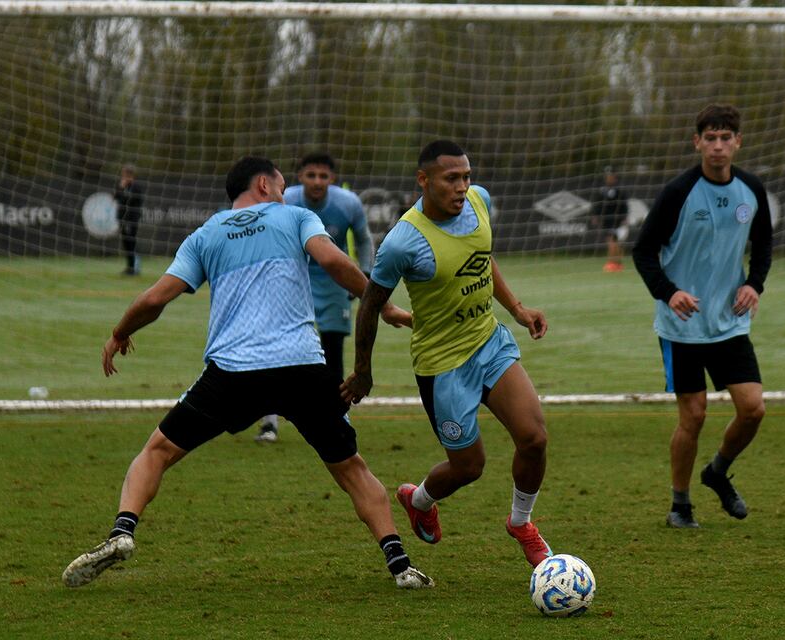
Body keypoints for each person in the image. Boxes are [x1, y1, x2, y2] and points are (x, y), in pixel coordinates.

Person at [62, 157, 432, 589]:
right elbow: (335, 262)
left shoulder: (206, 234)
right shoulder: (295, 216)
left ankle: (122, 533)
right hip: (302, 367)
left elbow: (156, 298)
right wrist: (382, 305)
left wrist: (119, 333)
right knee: (352, 468)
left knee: (157, 452)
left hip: (233, 373)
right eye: (280, 186)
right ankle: (401, 566)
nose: (284, 192)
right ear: (263, 184)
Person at [340, 140, 554, 568]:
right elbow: (370, 306)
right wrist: (362, 371)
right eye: (451, 178)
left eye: (466, 177)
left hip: (488, 343)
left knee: (534, 438)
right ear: (424, 180)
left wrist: (516, 309)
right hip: (443, 367)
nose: (462, 186)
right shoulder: (402, 242)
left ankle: (521, 522)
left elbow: (482, 258)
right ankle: (418, 499)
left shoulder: (479, 202)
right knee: (468, 467)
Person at [632, 104, 773, 529]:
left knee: (753, 410)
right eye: (709, 138)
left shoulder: (751, 190)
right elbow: (643, 252)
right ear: (697, 142)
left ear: (737, 142)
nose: (717, 146)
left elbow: (763, 244)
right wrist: (669, 293)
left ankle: (717, 471)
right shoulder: (678, 192)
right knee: (693, 417)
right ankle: (680, 504)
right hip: (683, 327)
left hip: (729, 322)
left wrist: (755, 283)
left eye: (725, 138)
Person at [255, 153, 374, 443]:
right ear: (299, 177)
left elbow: (364, 240)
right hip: (294, 284)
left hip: (334, 285)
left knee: (332, 352)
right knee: (277, 350)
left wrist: (365, 276)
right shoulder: (287, 202)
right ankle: (269, 421)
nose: (317, 181)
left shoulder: (348, 203)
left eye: (323, 176)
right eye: (311, 175)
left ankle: (337, 415)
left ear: (332, 179)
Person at [592, 167, 629, 272]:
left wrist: (624, 217)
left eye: (611, 176)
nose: (609, 178)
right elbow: (598, 205)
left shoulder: (619, 191)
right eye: (607, 177)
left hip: (616, 220)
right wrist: (595, 216)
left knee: (613, 242)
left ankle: (613, 263)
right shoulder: (602, 190)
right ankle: (617, 264)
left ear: (615, 177)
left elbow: (624, 205)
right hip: (606, 220)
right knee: (612, 241)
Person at [114, 165, 144, 276]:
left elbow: (135, 200)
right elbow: (116, 198)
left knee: (131, 243)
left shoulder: (136, 186)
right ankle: (129, 267)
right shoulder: (122, 185)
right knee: (126, 243)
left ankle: (135, 267)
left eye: (125, 174)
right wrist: (121, 187)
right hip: (122, 219)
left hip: (132, 219)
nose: (123, 176)